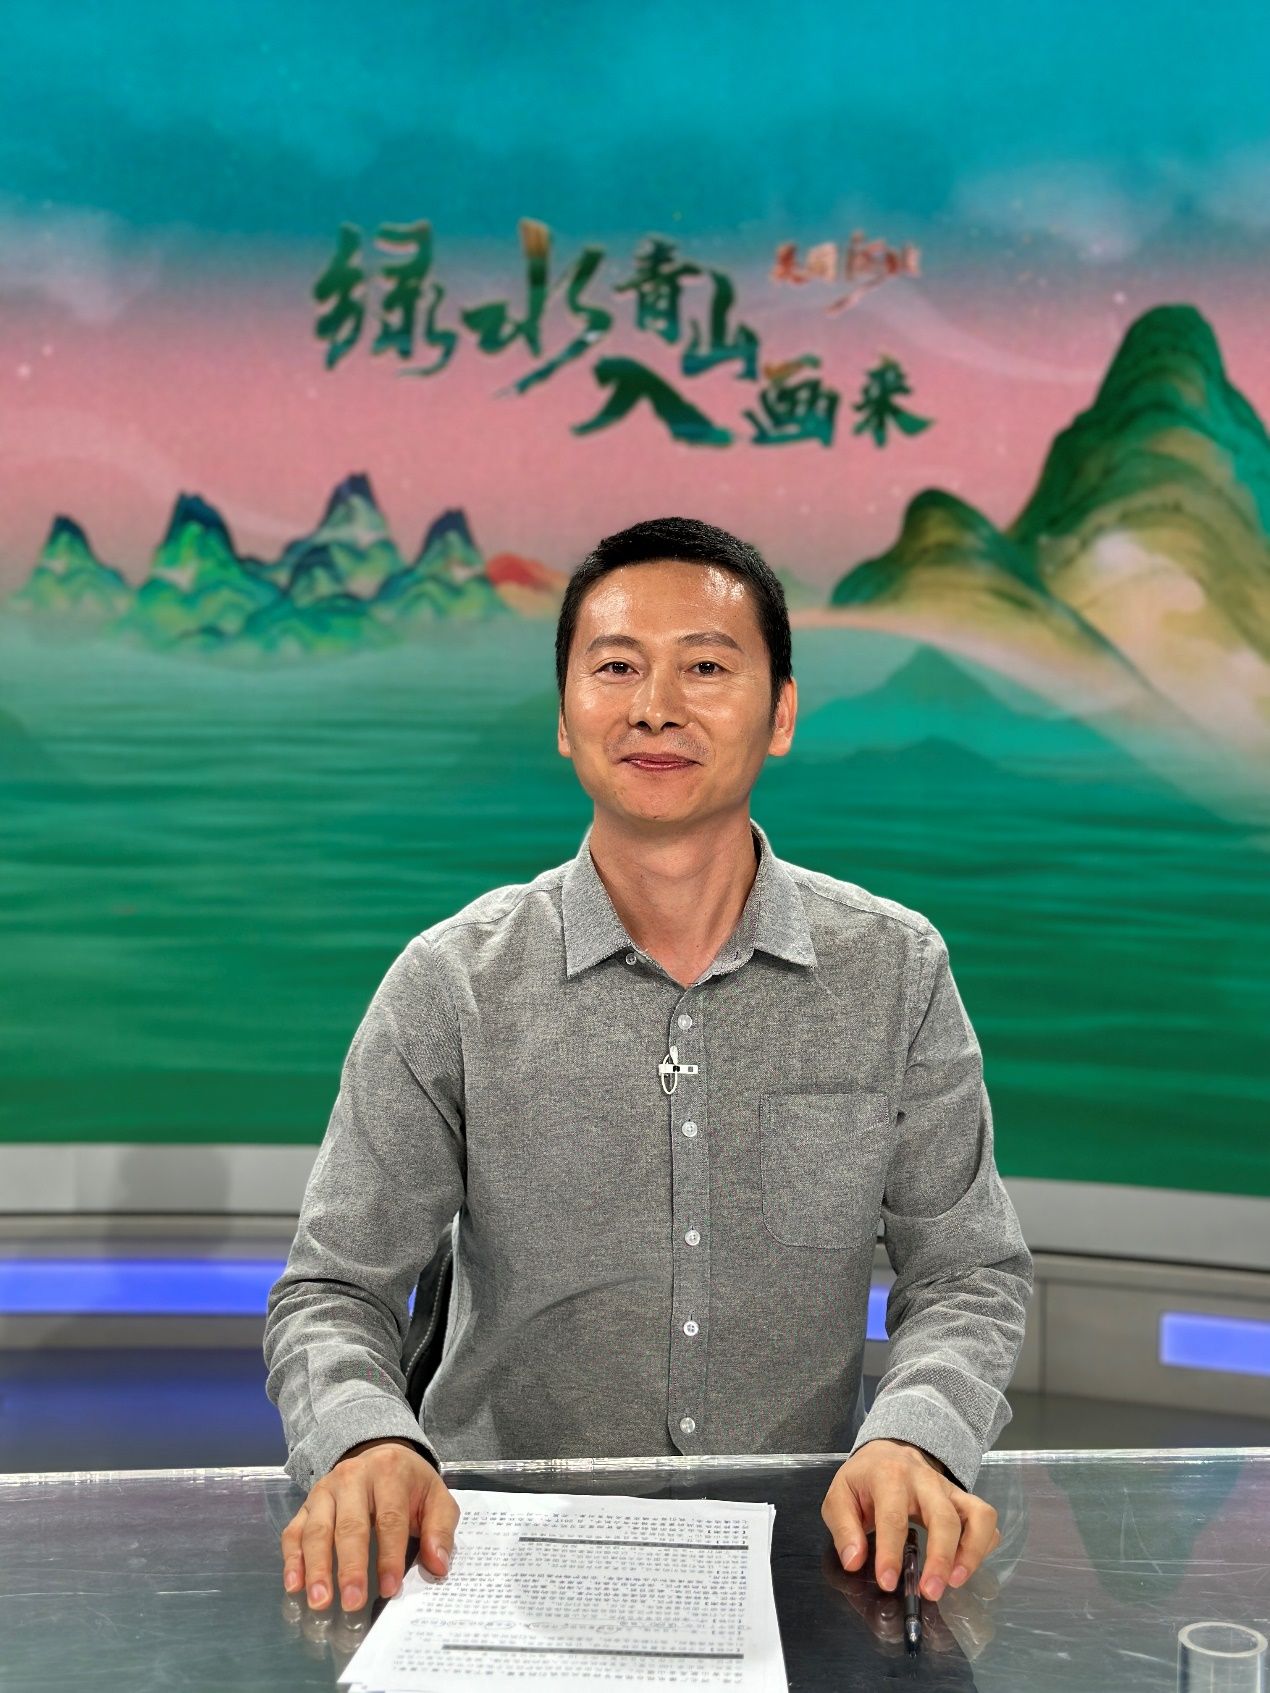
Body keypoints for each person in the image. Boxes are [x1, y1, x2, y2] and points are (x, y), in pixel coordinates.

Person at [264, 514, 1032, 1617]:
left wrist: (917, 1435)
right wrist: (364, 1440)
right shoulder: (452, 983)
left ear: (781, 714)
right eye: (616, 667)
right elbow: (334, 1291)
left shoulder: (893, 972)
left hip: (799, 1558)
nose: (655, 706)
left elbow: (966, 1273)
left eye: (705, 667)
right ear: (565, 718)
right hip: (489, 1552)